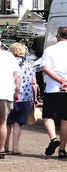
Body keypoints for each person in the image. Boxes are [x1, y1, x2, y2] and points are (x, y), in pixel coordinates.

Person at [7, 42, 36, 154]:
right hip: (25, 97)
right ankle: (15, 148)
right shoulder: (29, 64)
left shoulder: (8, 63)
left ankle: (4, 147)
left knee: (7, 123)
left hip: (9, 95)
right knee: (17, 123)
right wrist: (35, 97)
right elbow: (33, 83)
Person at [42, 25, 67, 158]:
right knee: (65, 120)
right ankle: (62, 149)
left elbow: (45, 68)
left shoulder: (50, 50)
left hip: (52, 89)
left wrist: (59, 80)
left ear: (58, 36)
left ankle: (53, 138)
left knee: (48, 116)